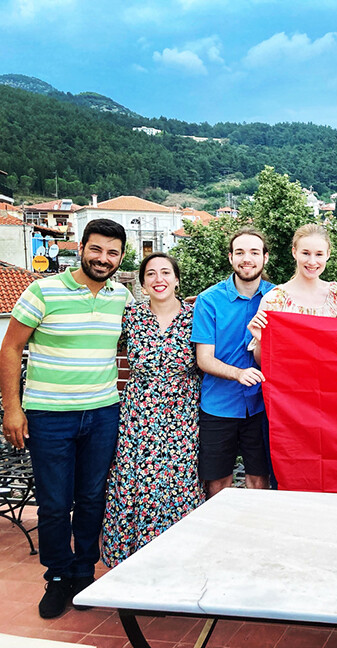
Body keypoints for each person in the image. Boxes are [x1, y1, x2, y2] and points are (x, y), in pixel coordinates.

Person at [0, 219, 131, 619]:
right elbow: (10, 348)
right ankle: (57, 576)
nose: (103, 258)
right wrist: (12, 409)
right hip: (49, 416)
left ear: (121, 257)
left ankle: (84, 571)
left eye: (112, 252)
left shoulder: (121, 296)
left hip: (103, 412)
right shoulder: (43, 290)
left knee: (93, 497)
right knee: (55, 504)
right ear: (81, 248)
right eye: (96, 249)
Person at [101, 253, 204, 567]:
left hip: (183, 413)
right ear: (143, 283)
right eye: (151, 274)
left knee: (179, 481)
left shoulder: (196, 315)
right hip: (139, 414)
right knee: (134, 480)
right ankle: (132, 561)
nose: (159, 279)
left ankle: (177, 559)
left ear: (176, 279)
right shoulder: (129, 315)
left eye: (166, 273)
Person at [191, 228, 274, 499]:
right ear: (230, 258)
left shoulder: (278, 299)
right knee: (217, 483)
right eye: (240, 252)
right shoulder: (208, 301)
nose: (246, 259)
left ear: (265, 258)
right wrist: (238, 374)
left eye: (253, 252)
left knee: (260, 480)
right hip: (219, 406)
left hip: (263, 405)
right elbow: (204, 359)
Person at [247, 223, 337, 364]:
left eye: (319, 254)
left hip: (330, 383)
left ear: (328, 254)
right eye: (305, 253)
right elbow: (262, 362)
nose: (312, 261)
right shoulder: (274, 300)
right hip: (291, 384)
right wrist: (260, 339)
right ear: (294, 252)